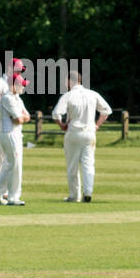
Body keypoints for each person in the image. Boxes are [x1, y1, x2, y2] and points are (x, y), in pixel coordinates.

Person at [51, 70, 111, 202]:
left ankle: (74, 195)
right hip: (90, 133)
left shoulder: (68, 96)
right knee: (88, 164)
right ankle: (88, 192)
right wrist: (97, 125)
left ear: (70, 81)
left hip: (73, 132)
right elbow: (106, 111)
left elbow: (56, 114)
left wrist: (61, 125)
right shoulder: (93, 94)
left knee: (72, 165)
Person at [0, 58, 26, 203]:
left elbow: (25, 115)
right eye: (18, 69)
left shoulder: (14, 93)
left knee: (10, 161)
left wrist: (18, 116)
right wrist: (7, 116)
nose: (19, 71)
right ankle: (3, 192)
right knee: (4, 158)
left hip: (10, 125)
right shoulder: (1, 83)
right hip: (2, 124)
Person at [0, 74, 31, 205]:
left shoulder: (18, 99)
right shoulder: (7, 98)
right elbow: (19, 119)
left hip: (16, 134)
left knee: (12, 165)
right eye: (21, 84)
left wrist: (21, 118)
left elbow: (27, 116)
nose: (23, 87)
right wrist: (21, 118)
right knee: (15, 166)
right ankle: (12, 197)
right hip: (9, 134)